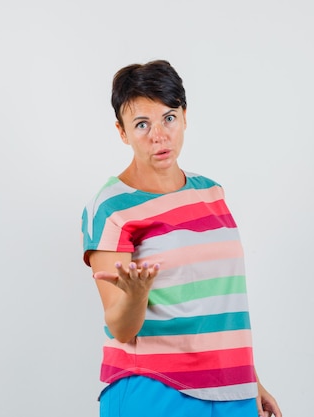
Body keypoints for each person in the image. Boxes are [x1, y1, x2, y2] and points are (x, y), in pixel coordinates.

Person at [81, 60, 282, 417]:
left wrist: (251, 381)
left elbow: (220, 304)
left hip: (231, 390)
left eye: (169, 117)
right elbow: (120, 327)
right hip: (155, 389)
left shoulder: (211, 193)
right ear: (122, 132)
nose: (159, 135)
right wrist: (137, 296)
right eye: (142, 124)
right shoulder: (112, 207)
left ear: (185, 117)